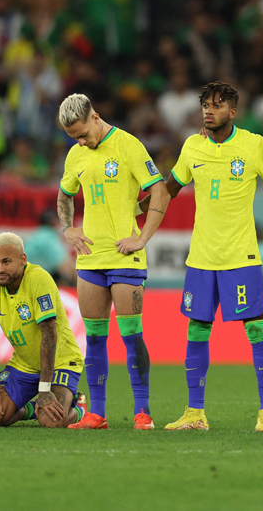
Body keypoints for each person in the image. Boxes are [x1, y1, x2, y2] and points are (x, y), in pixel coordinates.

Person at [155, 82, 263, 432]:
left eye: (218, 105)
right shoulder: (192, 146)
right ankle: (195, 413)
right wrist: (134, 205)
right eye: (206, 104)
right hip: (202, 258)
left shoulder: (253, 145)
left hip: (241, 257)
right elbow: (170, 189)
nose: (209, 110)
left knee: (255, 328)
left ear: (233, 112)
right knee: (196, 330)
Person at [56, 93, 170, 430]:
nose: (80, 141)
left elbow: (159, 191)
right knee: (93, 339)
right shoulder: (76, 154)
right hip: (91, 260)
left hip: (126, 256)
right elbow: (65, 193)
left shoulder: (128, 146)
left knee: (131, 336)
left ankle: (143, 412)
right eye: (72, 137)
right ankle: (97, 413)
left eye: (82, 133)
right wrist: (67, 229)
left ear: (95, 117)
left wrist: (142, 238)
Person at [0, 233, 85, 428]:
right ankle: (32, 409)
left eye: (6, 262)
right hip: (24, 365)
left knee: (52, 421)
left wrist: (44, 389)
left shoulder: (38, 279)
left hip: (61, 361)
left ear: (22, 260)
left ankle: (80, 408)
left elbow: (49, 335)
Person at [25, 211, 74, 285]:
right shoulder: (50, 236)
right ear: (54, 221)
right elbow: (64, 265)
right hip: (39, 283)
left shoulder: (34, 235)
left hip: (25, 280)